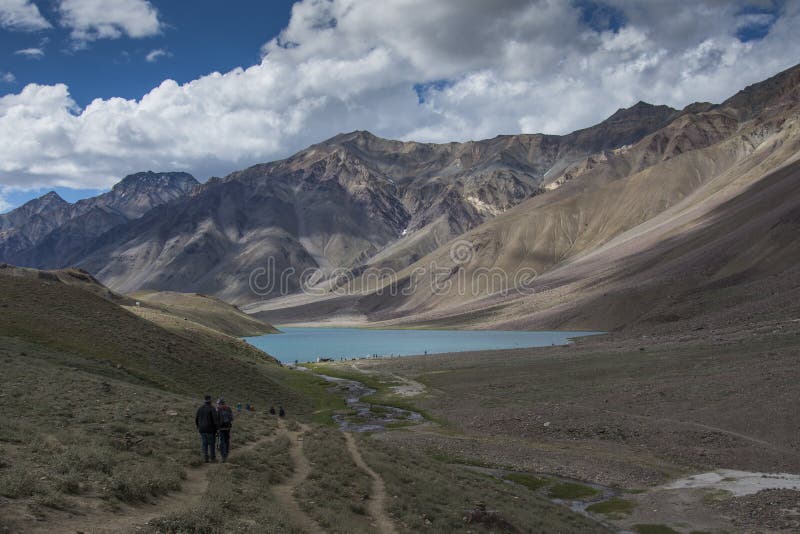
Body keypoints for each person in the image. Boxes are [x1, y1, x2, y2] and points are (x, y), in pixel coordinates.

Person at [195, 395, 219, 463]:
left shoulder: (200, 408)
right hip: (210, 430)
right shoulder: (212, 408)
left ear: (204, 400)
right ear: (210, 400)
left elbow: (196, 419)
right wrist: (217, 429)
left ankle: (205, 458)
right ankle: (212, 458)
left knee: (204, 444)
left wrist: (198, 426)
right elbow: (215, 420)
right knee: (211, 444)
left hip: (202, 429)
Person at [216, 397, 234, 462]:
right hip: (228, 428)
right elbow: (232, 418)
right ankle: (226, 453)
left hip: (221, 429)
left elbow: (216, 420)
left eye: (218, 403)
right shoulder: (228, 408)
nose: (217, 405)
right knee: (227, 441)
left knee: (222, 442)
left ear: (220, 403)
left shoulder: (218, 410)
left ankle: (223, 456)